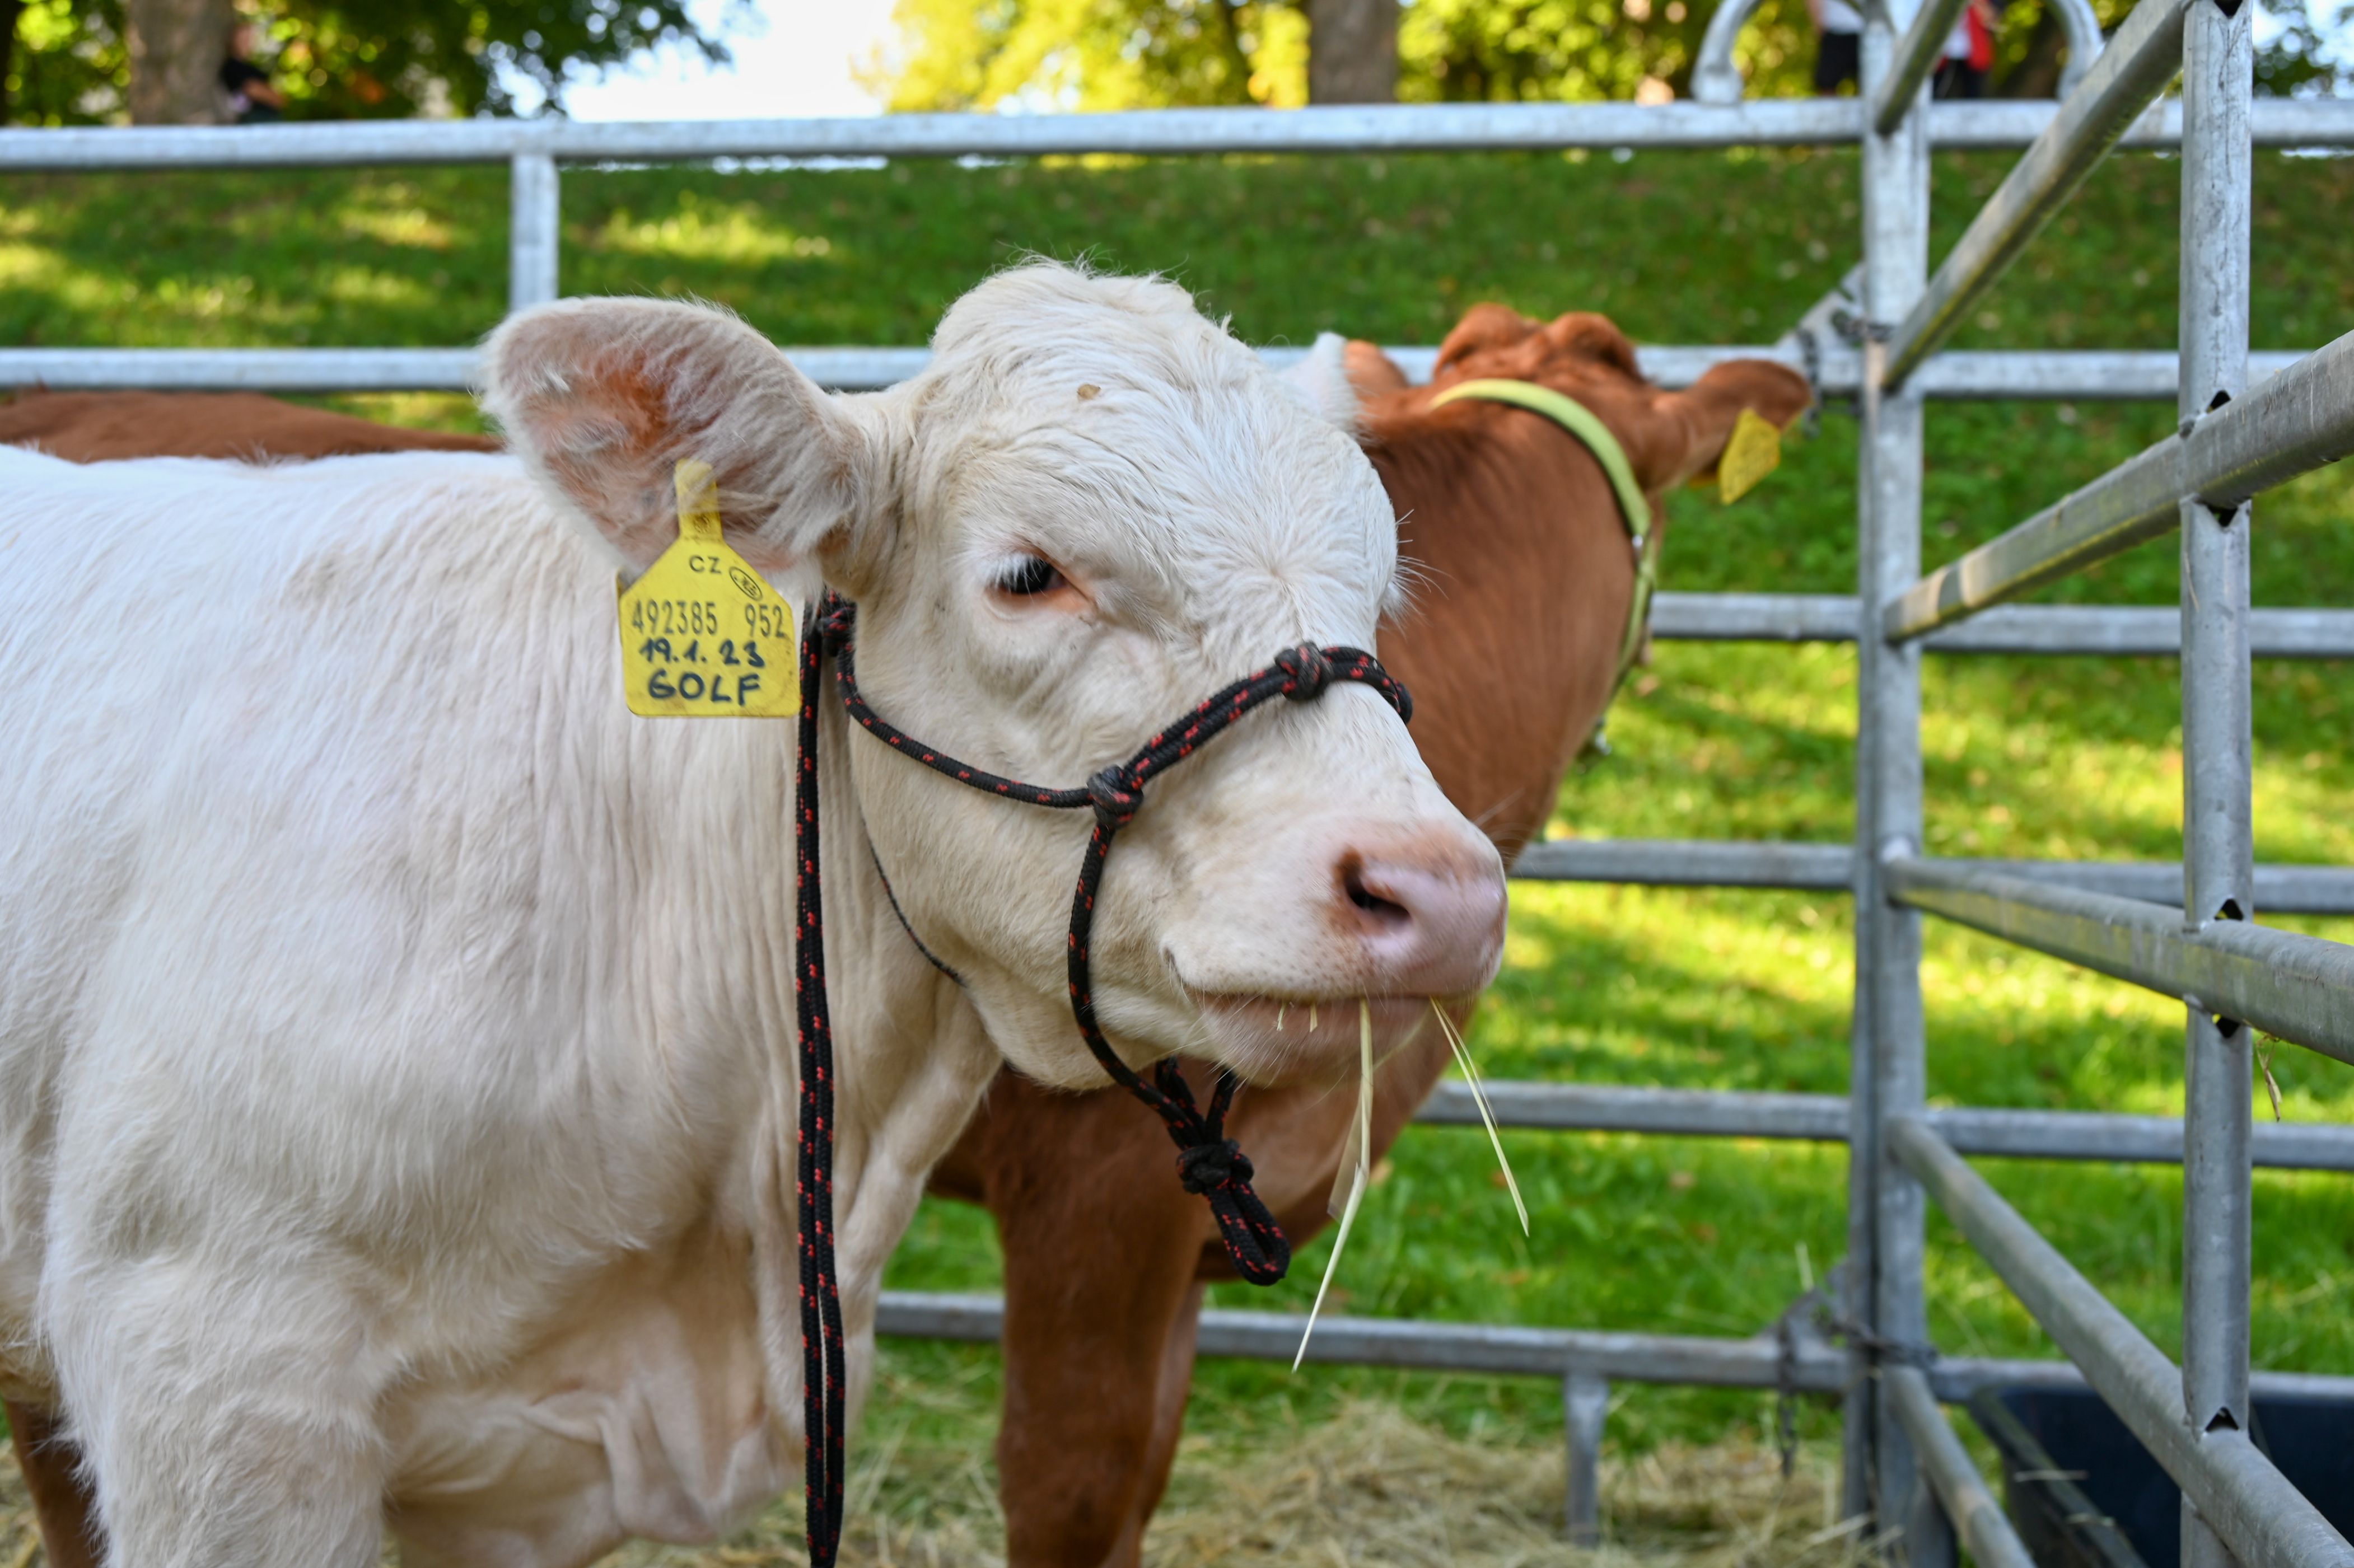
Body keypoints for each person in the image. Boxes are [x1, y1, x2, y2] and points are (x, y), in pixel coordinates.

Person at [219, 26, 286, 124]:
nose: (247, 43)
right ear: (233, 40)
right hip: (255, 119)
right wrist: (271, 95)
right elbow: (252, 90)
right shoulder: (233, 66)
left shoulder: (250, 67)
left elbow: (281, 99)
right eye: (243, 39)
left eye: (250, 39)